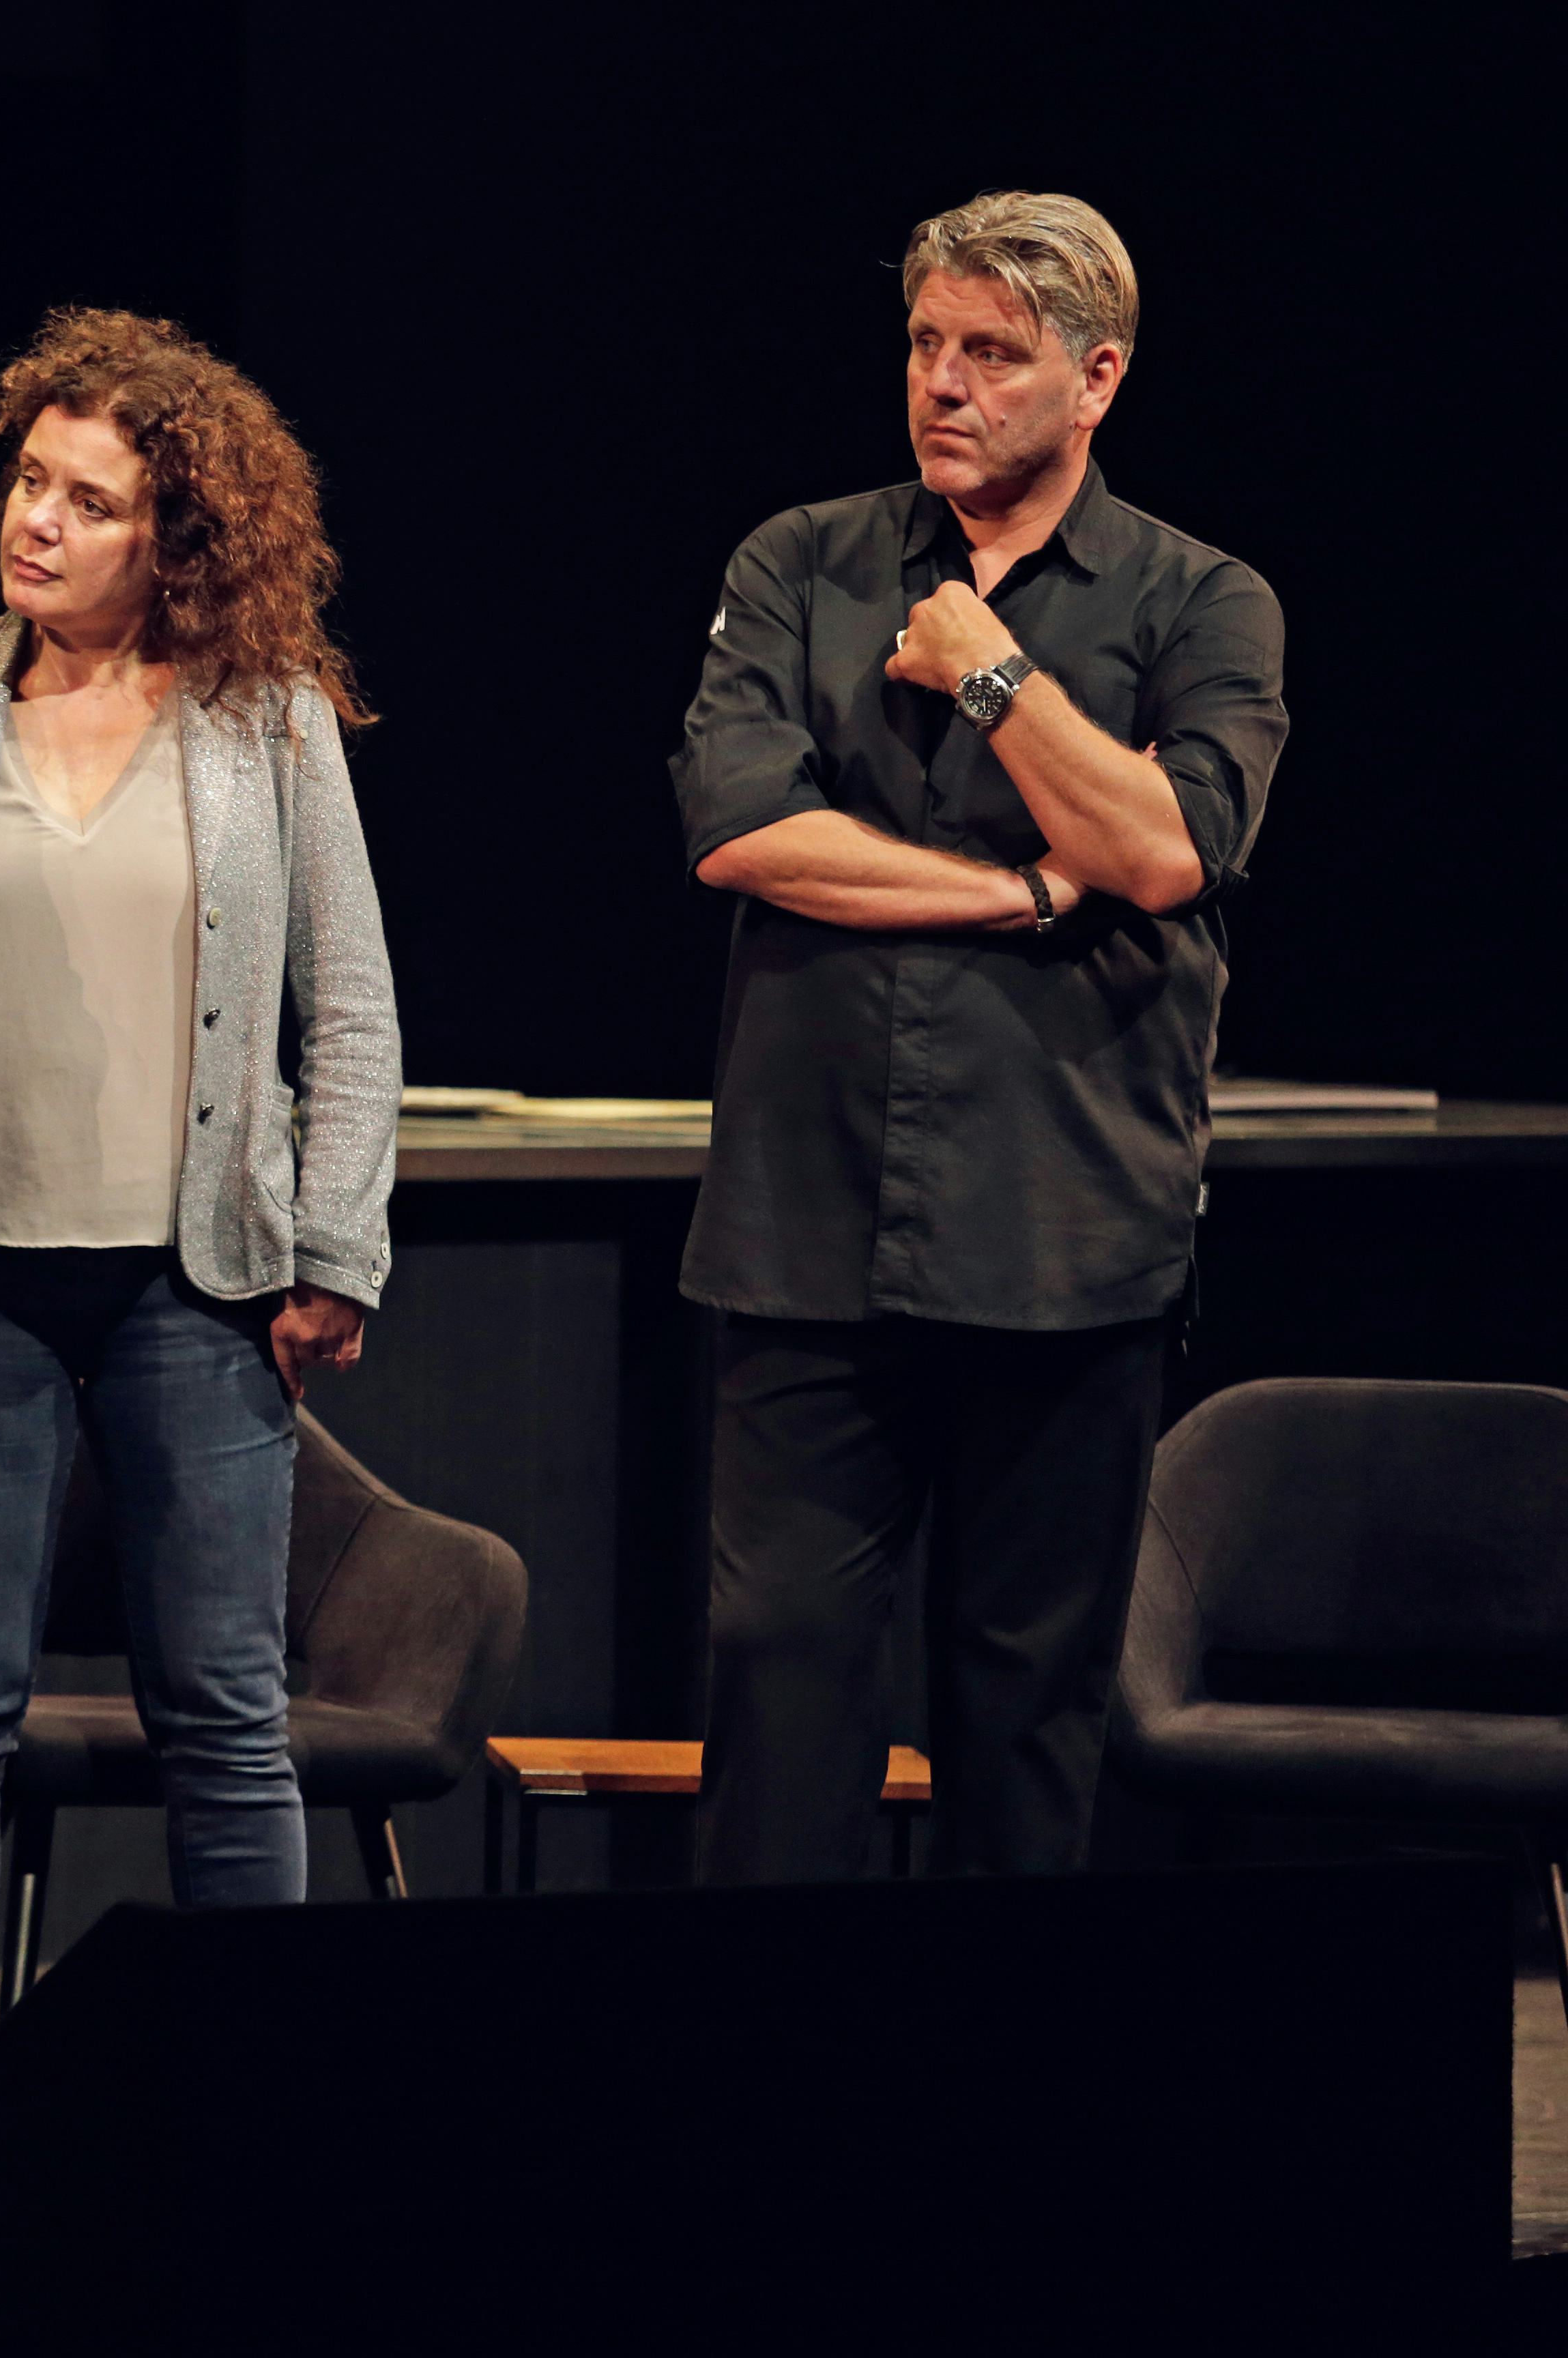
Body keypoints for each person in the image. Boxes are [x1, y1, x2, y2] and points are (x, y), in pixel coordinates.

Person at [673, 191, 1287, 1883]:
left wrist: (995, 676)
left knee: (1024, 1730)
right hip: (808, 1234)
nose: (943, 384)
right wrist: (1027, 892)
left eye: (994, 355)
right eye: (926, 344)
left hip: (1066, 1240)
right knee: (778, 1692)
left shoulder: (1205, 600)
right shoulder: (799, 563)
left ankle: (1005, 2066)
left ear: (1097, 378)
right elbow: (746, 835)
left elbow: (1165, 854)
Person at [0, 310, 399, 2115]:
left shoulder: (267, 721)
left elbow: (351, 1000)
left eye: (93, 503)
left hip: (199, 1284)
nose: (42, 522)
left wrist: (336, 1249)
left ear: (180, 540)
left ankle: (245, 2096)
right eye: (32, 483)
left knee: (223, 1707)